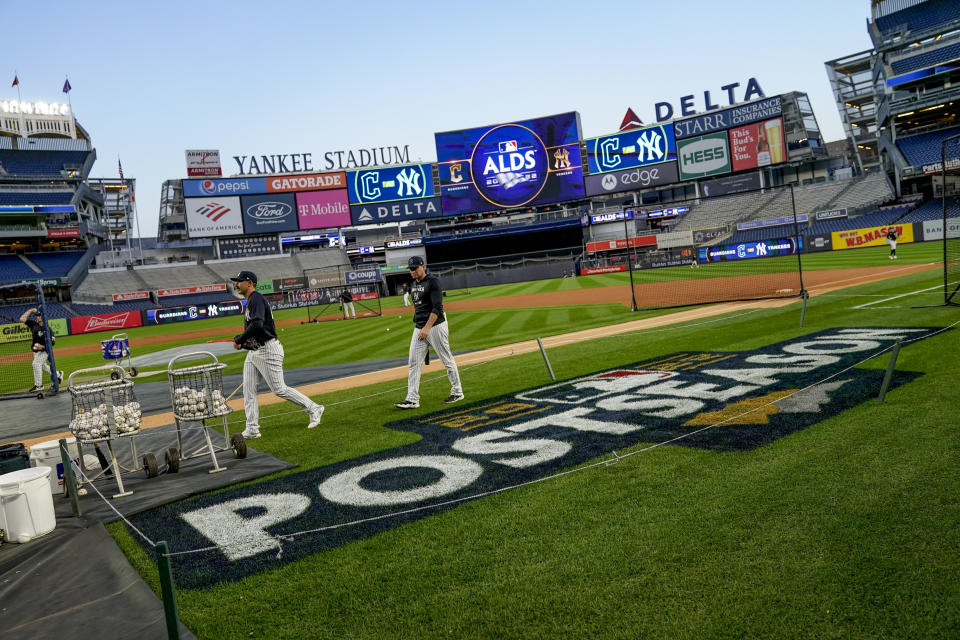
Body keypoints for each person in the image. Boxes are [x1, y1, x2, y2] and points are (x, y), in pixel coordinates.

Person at [230, 270, 324, 438]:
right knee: (249, 390)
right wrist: (244, 343)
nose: (236, 284)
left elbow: (258, 325)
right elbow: (257, 331)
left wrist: (239, 339)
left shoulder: (256, 298)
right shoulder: (251, 300)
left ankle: (314, 408)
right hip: (256, 351)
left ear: (249, 282)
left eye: (239, 281)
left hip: (268, 350)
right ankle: (252, 428)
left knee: (279, 389)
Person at [395, 256, 463, 409]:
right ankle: (412, 399)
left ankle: (457, 391)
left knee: (446, 359)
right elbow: (419, 307)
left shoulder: (433, 282)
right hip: (419, 328)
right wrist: (419, 324)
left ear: (423, 266)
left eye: (415, 268)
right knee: (413, 362)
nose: (413, 271)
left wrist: (426, 328)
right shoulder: (413, 284)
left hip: (435, 326)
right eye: (411, 269)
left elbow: (437, 308)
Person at [19, 307, 62, 392]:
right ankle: (58, 374)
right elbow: (22, 319)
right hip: (36, 352)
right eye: (37, 316)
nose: (37, 317)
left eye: (39, 315)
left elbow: (52, 343)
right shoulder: (33, 324)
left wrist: (42, 347)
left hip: (44, 351)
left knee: (36, 364)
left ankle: (39, 385)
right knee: (43, 366)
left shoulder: (48, 329)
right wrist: (31, 310)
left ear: (44, 317)